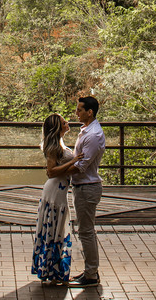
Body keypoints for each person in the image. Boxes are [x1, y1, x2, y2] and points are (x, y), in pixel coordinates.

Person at [32, 112, 79, 285]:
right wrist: (73, 164)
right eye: (64, 122)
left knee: (58, 231)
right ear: (57, 128)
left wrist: (72, 167)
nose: (68, 123)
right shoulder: (52, 147)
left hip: (59, 192)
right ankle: (53, 272)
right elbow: (51, 172)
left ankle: (54, 271)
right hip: (54, 194)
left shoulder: (59, 144)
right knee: (56, 231)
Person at [70, 95, 105, 287]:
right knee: (86, 230)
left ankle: (91, 274)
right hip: (82, 187)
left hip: (87, 187)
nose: (76, 112)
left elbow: (81, 165)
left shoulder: (93, 135)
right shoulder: (87, 131)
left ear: (89, 112)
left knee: (86, 231)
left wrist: (58, 171)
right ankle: (89, 271)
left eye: (79, 110)